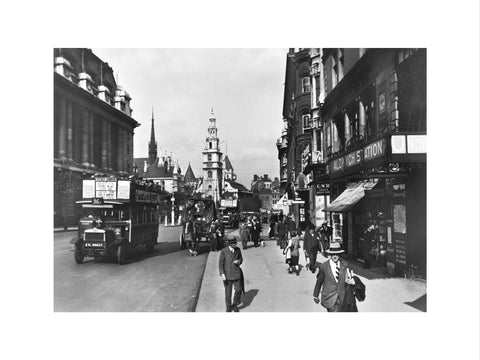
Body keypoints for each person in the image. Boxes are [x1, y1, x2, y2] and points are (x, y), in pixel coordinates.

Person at [312, 242, 355, 312]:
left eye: (337, 254)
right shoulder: (324, 267)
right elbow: (319, 281)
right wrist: (315, 295)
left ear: (339, 254)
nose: (335, 256)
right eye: (333, 254)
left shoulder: (344, 264)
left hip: (342, 297)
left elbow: (347, 279)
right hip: (329, 298)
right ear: (330, 254)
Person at [219, 236, 244, 312]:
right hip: (227, 274)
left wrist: (239, 261)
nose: (235, 244)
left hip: (237, 273)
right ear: (229, 244)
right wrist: (222, 273)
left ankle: (235, 304)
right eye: (233, 243)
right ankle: (228, 306)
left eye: (235, 243)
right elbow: (221, 263)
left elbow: (241, 259)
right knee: (228, 292)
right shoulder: (224, 251)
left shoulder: (238, 250)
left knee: (239, 289)